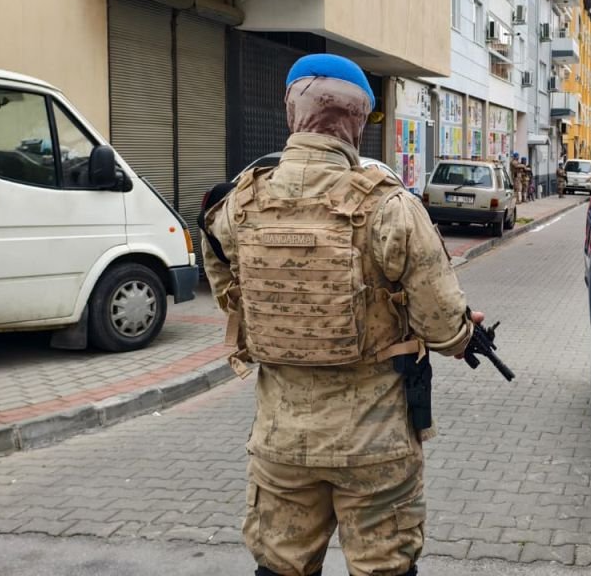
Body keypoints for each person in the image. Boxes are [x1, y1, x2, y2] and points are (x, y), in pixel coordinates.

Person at [203, 54, 482, 576]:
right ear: (358, 122)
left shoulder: (236, 206)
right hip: (375, 446)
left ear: (291, 111)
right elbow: (444, 327)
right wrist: (464, 333)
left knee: (280, 568)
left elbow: (231, 297)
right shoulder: (391, 207)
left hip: (281, 441)